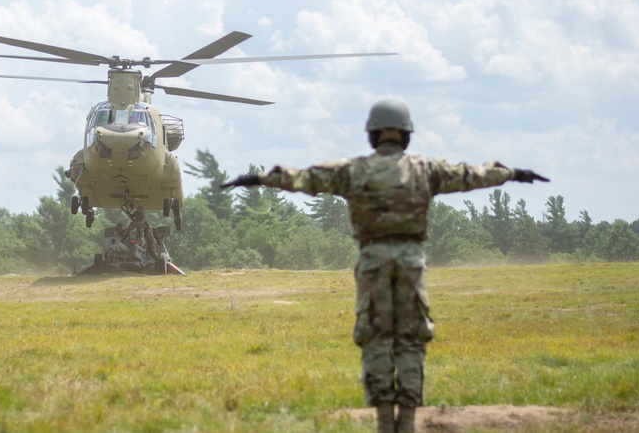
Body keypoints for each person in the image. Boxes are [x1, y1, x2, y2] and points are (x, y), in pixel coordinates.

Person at [221, 98, 549, 433]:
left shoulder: (353, 170)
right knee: (411, 337)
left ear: (372, 135)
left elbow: (303, 178)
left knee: (376, 337)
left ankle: (383, 423)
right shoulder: (425, 169)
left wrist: (256, 179)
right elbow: (471, 175)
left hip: (372, 259)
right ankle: (406, 422)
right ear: (406, 135)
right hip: (411, 260)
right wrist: (513, 173)